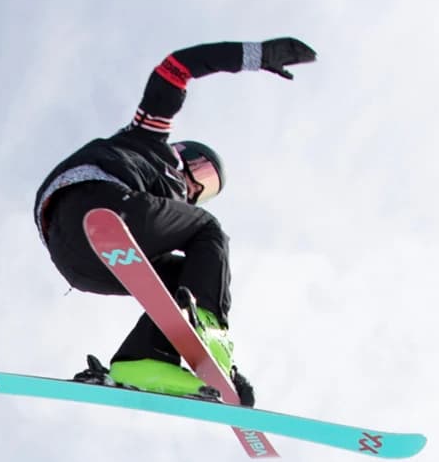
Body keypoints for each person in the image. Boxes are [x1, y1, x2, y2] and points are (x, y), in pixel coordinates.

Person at [33, 37, 317, 406]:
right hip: (96, 199)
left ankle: (142, 361)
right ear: (182, 154)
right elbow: (175, 69)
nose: (195, 185)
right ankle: (211, 328)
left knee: (182, 277)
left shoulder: (162, 207)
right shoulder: (148, 139)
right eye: (199, 168)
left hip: (77, 261)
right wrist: (255, 55)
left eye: (208, 186)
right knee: (207, 229)